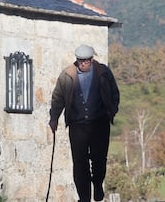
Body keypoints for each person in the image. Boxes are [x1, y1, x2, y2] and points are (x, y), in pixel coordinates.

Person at [49, 44, 120, 202]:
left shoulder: (103, 72)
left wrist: (112, 111)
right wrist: (54, 118)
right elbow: (58, 98)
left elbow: (114, 93)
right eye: (80, 61)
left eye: (86, 61)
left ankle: (98, 184)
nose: (83, 64)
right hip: (77, 124)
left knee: (99, 159)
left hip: (99, 123)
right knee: (80, 162)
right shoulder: (67, 75)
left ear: (91, 59)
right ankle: (84, 197)